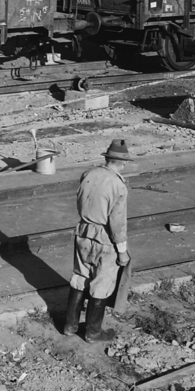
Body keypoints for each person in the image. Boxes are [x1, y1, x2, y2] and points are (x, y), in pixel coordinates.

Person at [63, 138, 131, 342]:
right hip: (104, 238)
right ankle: (93, 332)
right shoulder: (119, 186)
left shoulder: (89, 174)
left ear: (107, 157)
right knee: (101, 283)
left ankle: (70, 325)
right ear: (123, 162)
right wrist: (122, 251)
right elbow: (117, 222)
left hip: (82, 232)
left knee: (80, 277)